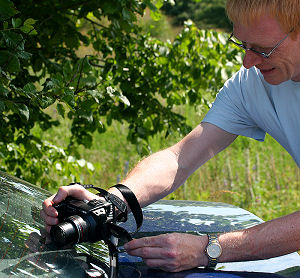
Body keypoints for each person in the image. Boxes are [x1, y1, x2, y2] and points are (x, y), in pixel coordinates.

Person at [41, 0, 300, 273]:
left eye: (262, 49)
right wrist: (109, 204)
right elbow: (180, 157)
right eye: (242, 45)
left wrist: (208, 249)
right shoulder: (250, 84)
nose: (248, 62)